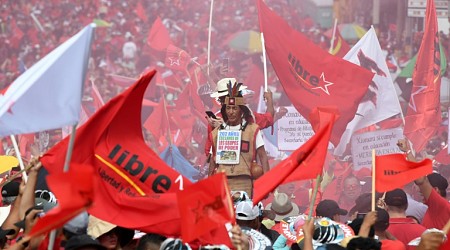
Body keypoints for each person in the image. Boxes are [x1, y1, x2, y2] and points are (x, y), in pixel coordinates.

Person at [208, 82, 270, 197]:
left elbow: (263, 156)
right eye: (228, 108)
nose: (231, 112)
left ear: (241, 110)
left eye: (234, 108)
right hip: (222, 182)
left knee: (244, 213)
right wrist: (209, 185)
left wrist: (266, 184)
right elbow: (212, 160)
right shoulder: (217, 132)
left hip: (244, 182)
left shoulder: (252, 130)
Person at [205, 78, 287, 157]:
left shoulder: (247, 115)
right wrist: (269, 100)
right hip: (233, 166)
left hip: (238, 166)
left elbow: (267, 119)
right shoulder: (246, 115)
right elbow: (209, 151)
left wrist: (273, 107)